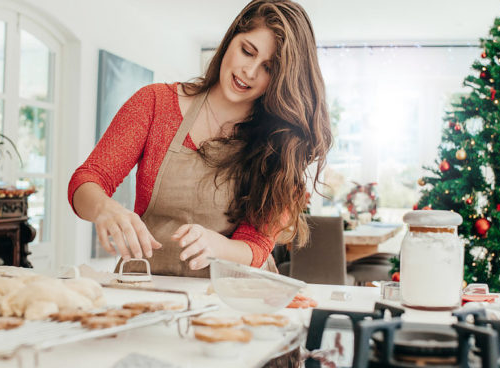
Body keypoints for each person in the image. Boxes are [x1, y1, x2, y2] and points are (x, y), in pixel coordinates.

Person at [68, 0, 332, 277]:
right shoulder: (156, 103)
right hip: (148, 286)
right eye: (247, 51)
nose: (249, 72)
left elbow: (257, 246)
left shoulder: (280, 142)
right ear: (231, 40)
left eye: (269, 68)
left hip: (235, 297)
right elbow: (88, 178)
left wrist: (218, 246)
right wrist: (104, 208)